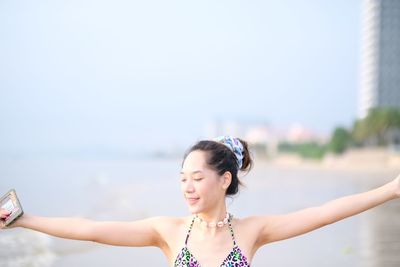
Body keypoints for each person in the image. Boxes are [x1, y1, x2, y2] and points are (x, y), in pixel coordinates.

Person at [1, 136, 399, 266]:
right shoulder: (169, 232)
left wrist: (390, 189)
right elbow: (90, 229)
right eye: (182, 179)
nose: (187, 187)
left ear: (224, 179)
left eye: (196, 178)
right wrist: (25, 219)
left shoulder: (252, 231)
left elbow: (323, 214)